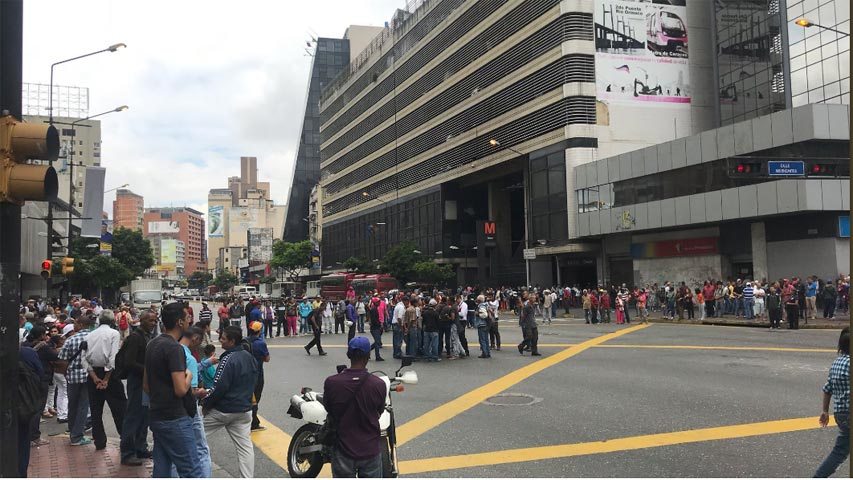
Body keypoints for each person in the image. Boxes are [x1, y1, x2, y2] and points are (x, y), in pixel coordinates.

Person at [143, 302, 202, 478]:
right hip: (175, 418)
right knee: (192, 470)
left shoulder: (152, 344)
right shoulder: (174, 348)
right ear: (179, 322)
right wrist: (189, 376)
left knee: (162, 468)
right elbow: (180, 390)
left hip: (157, 415)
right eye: (187, 317)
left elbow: (146, 385)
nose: (189, 320)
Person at [323, 337, 388, 478]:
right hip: (370, 449)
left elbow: (328, 408)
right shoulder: (378, 384)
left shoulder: (332, 382)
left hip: (342, 449)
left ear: (348, 355)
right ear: (368, 356)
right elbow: (379, 411)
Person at [202, 325, 257, 478]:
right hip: (244, 411)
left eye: (223, 338)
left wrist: (206, 404)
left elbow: (218, 386)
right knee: (245, 449)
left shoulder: (227, 359)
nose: (220, 340)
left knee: (196, 437)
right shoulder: (249, 357)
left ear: (232, 341)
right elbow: (255, 382)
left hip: (223, 410)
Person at [81, 310, 127, 451]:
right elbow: (113, 358)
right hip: (110, 375)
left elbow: (84, 358)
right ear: (113, 321)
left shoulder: (89, 335)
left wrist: (95, 378)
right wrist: (106, 379)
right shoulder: (114, 333)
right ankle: (125, 440)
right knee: (120, 409)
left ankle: (99, 441)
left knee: (96, 410)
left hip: (94, 373)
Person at [120, 310, 157, 466]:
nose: (154, 324)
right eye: (150, 321)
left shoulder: (148, 337)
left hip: (146, 382)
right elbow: (129, 362)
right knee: (133, 416)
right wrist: (147, 370)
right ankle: (127, 453)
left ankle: (141, 447)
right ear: (141, 321)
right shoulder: (136, 338)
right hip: (136, 381)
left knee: (144, 416)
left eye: (155, 321)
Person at [174, 327, 212, 478]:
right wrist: (203, 392)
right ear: (195, 338)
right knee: (201, 449)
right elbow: (192, 391)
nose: (200, 344)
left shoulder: (172, 350)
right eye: (200, 340)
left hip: (169, 409)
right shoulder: (189, 358)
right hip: (189, 408)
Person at [814, 327, 850, 477]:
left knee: (839, 451)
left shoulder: (837, 362)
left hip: (841, 414)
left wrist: (824, 411)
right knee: (839, 452)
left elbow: (827, 388)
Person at [57, 314, 93, 446]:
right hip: (89, 375)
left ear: (82, 325)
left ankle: (73, 432)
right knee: (83, 405)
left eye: (76, 323)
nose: (74, 326)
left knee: (72, 404)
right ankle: (77, 435)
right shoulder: (94, 338)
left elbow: (62, 359)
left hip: (72, 376)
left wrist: (66, 373)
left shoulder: (71, 340)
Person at [247, 321, 270, 431]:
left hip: (245, 373)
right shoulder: (261, 343)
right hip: (257, 373)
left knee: (248, 396)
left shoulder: (244, 341)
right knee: (256, 397)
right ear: (259, 331)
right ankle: (253, 423)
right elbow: (267, 359)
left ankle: (252, 420)